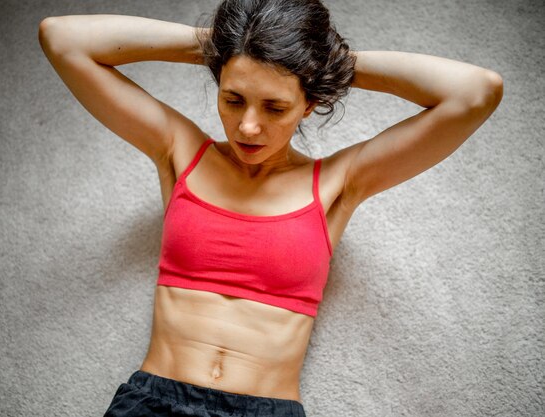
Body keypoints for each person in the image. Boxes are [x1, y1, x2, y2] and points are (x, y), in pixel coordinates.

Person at [38, 0, 503, 415]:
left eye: (275, 107)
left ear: (309, 104)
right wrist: (226, 45)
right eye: (233, 98)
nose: (249, 127)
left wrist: (324, 62)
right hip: (155, 401)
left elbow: (476, 91)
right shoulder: (180, 151)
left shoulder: (339, 181)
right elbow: (62, 38)